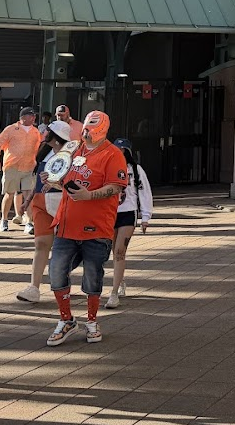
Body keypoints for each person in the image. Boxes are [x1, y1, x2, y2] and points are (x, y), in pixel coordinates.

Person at [45, 110, 128, 346]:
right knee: (57, 272)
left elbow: (116, 187)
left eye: (91, 129)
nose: (86, 133)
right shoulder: (74, 149)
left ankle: (92, 321)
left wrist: (89, 195)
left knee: (93, 276)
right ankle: (66, 320)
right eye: (84, 129)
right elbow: (61, 176)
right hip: (66, 224)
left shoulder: (113, 155)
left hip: (96, 226)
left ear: (102, 130)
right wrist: (53, 178)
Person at [15, 121, 72, 303]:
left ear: (55, 135)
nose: (44, 133)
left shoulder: (73, 155)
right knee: (41, 244)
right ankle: (34, 287)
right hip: (41, 201)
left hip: (64, 201)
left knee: (65, 247)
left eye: (48, 130)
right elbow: (39, 180)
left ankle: (64, 282)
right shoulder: (44, 153)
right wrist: (29, 200)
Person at [106, 139, 153, 308]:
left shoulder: (136, 170)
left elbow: (144, 192)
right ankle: (121, 280)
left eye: (122, 150)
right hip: (110, 213)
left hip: (128, 213)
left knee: (120, 251)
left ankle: (113, 292)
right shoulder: (108, 168)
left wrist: (145, 217)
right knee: (113, 250)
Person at [0, 108, 42, 233]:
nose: (33, 118)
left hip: (29, 167)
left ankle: (29, 222)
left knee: (28, 196)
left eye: (34, 115)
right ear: (23, 117)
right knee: (9, 194)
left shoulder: (35, 132)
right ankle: (4, 220)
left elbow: (38, 148)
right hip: (12, 166)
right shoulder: (11, 129)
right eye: (31, 115)